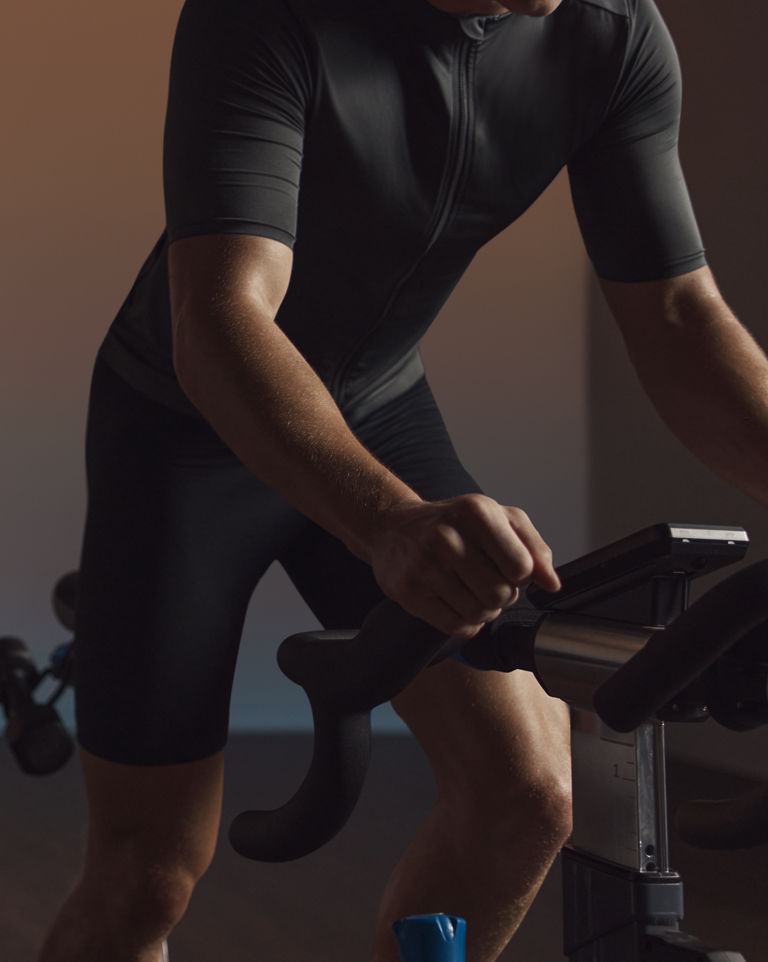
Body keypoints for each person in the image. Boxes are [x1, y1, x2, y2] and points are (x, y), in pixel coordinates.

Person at [38, 0, 768, 959]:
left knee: (528, 790)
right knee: (147, 875)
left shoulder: (611, 32)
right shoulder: (264, 13)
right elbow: (221, 320)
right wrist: (385, 523)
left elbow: (677, 315)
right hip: (186, 428)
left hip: (378, 405)